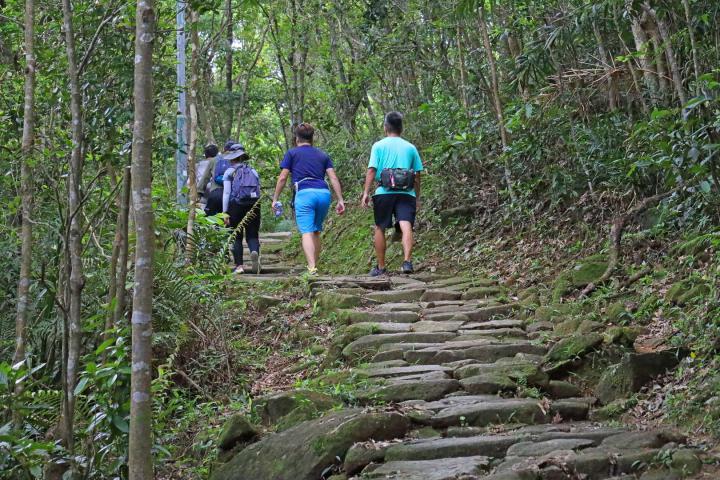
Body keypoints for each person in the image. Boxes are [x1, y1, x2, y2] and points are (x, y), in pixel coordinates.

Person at [271, 123, 345, 276]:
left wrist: (275, 198)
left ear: (296, 138)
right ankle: (314, 266)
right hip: (324, 194)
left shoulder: (292, 154)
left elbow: (283, 177)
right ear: (313, 138)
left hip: (304, 194)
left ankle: (311, 268)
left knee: (306, 231)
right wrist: (340, 199)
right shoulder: (322, 155)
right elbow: (333, 177)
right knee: (316, 230)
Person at [361, 112, 423, 276]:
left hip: (384, 192)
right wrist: (417, 196)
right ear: (401, 128)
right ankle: (407, 262)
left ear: (385, 127)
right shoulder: (410, 147)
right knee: (406, 224)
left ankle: (381, 267)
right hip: (406, 192)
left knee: (380, 227)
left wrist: (366, 192)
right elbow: (417, 175)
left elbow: (372, 170)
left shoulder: (378, 146)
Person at [221, 143, 262, 274]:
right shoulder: (253, 171)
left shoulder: (229, 172)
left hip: (235, 205)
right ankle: (254, 252)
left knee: (236, 235)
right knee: (252, 234)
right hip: (253, 204)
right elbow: (258, 190)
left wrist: (224, 212)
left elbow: (226, 193)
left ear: (232, 158)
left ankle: (239, 266)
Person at [197, 143, 222, 215]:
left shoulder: (198, 165)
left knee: (207, 219)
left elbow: (204, 179)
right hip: (222, 195)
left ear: (205, 154)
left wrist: (198, 193)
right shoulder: (223, 162)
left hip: (206, 198)